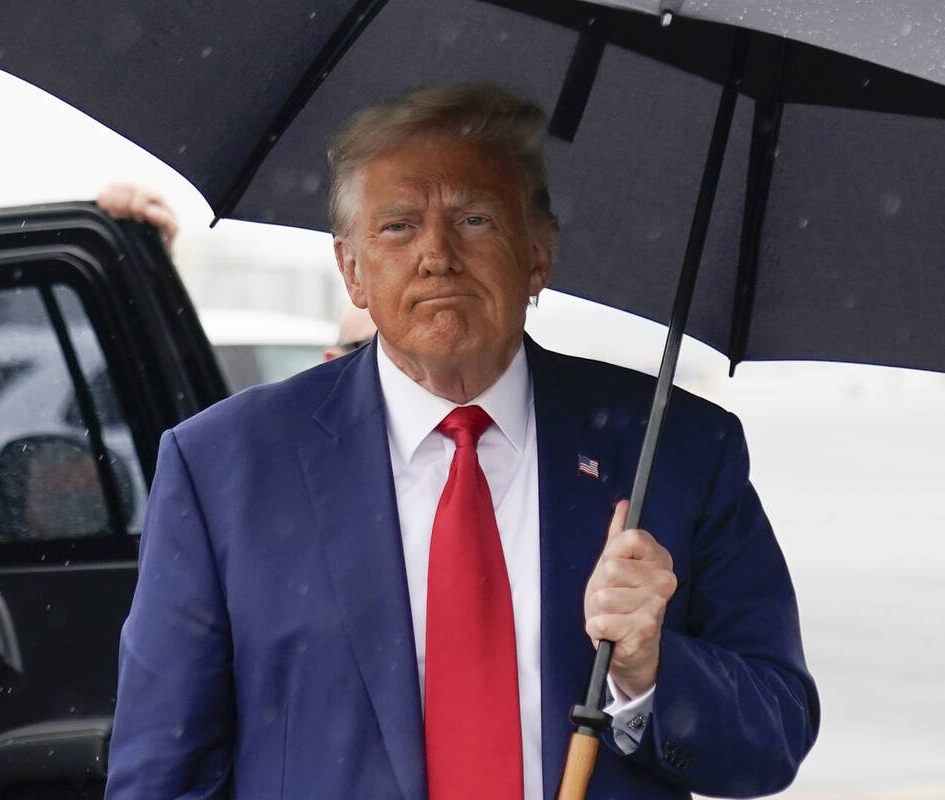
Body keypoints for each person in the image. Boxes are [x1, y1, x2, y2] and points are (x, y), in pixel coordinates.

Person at [105, 83, 818, 799]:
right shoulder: (226, 465)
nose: (437, 255)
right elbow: (162, 775)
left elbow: (774, 735)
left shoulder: (677, 449)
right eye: (398, 226)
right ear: (351, 270)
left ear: (538, 255)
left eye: (475, 219)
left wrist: (650, 669)